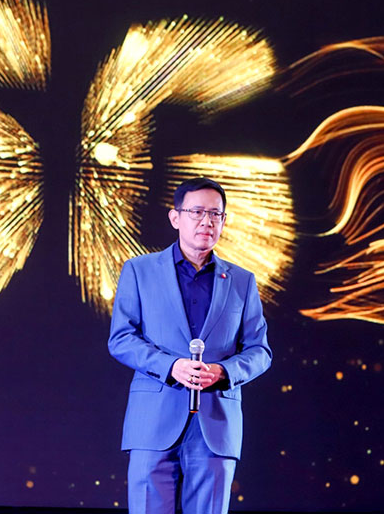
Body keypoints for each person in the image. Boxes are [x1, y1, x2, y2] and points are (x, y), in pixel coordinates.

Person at [108, 176, 272, 514]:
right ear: (175, 217)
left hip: (216, 424)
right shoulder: (139, 271)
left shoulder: (242, 281)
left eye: (215, 214)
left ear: (224, 221)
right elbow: (122, 338)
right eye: (197, 212)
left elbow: (260, 351)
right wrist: (171, 366)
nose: (206, 222)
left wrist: (223, 372)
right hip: (153, 421)